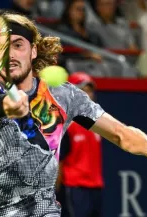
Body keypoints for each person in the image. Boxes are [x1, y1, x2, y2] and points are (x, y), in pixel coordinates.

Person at [0, 12, 147, 217]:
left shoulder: (65, 96)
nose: (10, 54)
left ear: (33, 51)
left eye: (18, 45)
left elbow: (119, 133)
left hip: (42, 210)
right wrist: (4, 107)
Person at [56, 72, 104, 217]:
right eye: (83, 90)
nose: (88, 94)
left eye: (89, 90)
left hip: (96, 187)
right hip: (74, 188)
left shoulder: (99, 124)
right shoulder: (66, 125)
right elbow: (59, 161)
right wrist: (55, 191)